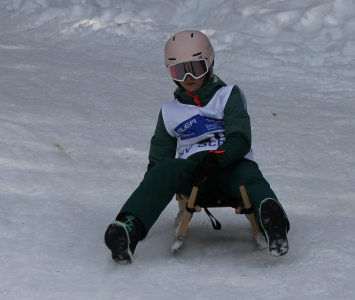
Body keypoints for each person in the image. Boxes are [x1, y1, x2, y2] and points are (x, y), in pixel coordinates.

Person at [104, 30, 289, 264]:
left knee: (250, 176)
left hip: (231, 164)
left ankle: (273, 222)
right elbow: (158, 160)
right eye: (179, 70)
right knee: (164, 169)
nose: (188, 76)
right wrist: (150, 190)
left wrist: (217, 158)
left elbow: (241, 138)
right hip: (193, 171)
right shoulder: (169, 111)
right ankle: (129, 228)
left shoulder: (227, 95)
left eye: (196, 67)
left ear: (209, 64)